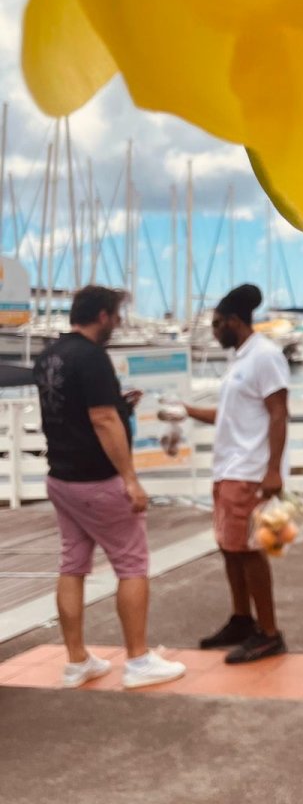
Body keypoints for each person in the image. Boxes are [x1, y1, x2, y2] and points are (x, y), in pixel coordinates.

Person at [33, 284, 186, 689]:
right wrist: (130, 479)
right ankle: (138, 660)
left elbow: (76, 409)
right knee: (132, 565)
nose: (117, 324)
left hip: (61, 477)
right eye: (116, 317)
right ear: (102, 315)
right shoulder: (92, 357)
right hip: (98, 480)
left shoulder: (49, 355)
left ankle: (77, 661)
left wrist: (120, 405)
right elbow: (101, 420)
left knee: (72, 565)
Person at [186, 284, 290, 664]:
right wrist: (184, 411)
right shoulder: (241, 359)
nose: (214, 332)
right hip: (228, 470)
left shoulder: (265, 356)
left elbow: (278, 412)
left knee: (249, 551)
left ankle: (269, 633)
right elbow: (229, 415)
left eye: (216, 325)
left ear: (233, 321)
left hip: (250, 471)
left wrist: (273, 470)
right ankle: (242, 619)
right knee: (229, 548)